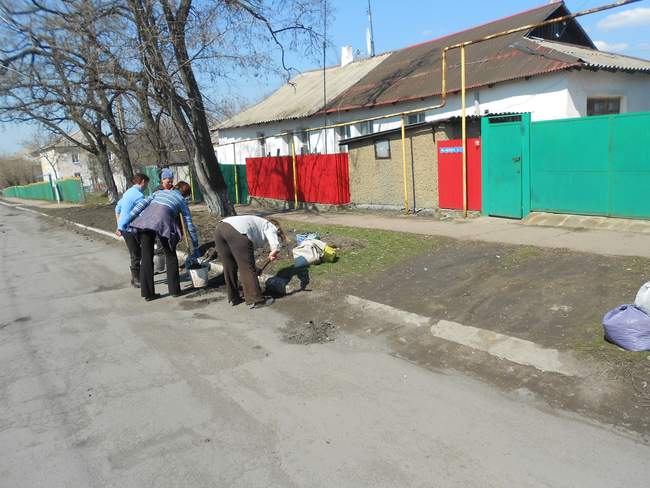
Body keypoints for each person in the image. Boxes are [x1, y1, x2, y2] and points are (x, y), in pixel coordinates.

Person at [120, 181, 200, 301]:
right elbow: (189, 225)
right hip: (164, 224)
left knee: (146, 257)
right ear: (186, 194)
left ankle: (148, 294)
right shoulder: (182, 201)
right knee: (171, 255)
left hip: (145, 223)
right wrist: (196, 245)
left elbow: (140, 206)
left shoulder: (158, 193)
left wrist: (125, 221)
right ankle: (174, 291)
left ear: (174, 188)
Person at [214, 215, 286, 309]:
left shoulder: (255, 224)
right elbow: (246, 262)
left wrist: (255, 269)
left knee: (229, 266)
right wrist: (274, 251)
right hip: (236, 231)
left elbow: (241, 257)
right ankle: (256, 299)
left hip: (220, 229)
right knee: (246, 268)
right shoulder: (268, 225)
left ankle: (233, 298)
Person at [114, 173, 150, 287]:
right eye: (147, 183)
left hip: (126, 228)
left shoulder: (128, 192)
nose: (147, 186)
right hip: (130, 229)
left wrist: (119, 225)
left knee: (135, 253)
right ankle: (136, 279)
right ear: (143, 181)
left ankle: (135, 278)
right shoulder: (138, 195)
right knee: (135, 253)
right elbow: (145, 211)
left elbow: (117, 208)